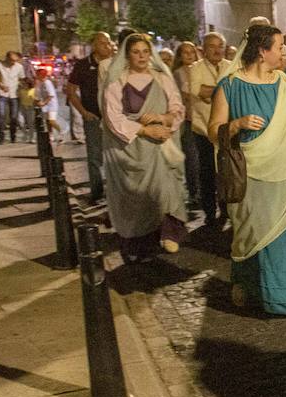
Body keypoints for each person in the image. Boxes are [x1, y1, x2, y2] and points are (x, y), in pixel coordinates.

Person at [208, 24, 286, 315]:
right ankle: (252, 289)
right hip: (250, 175)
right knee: (252, 232)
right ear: (261, 51)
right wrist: (236, 124)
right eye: (278, 47)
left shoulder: (284, 82)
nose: (283, 52)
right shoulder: (230, 85)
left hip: (285, 175)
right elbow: (212, 130)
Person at [101, 34, 189, 262]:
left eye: (145, 51)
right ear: (127, 55)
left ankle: (170, 232)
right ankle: (140, 245)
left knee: (165, 188)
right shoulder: (117, 82)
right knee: (137, 198)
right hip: (132, 150)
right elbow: (113, 117)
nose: (141, 56)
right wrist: (144, 130)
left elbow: (177, 108)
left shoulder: (162, 79)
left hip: (160, 147)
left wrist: (164, 119)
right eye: (136, 52)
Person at [187, 33, 235, 225]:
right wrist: (222, 90)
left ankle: (226, 210)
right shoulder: (195, 69)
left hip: (226, 129)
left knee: (226, 173)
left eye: (220, 46)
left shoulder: (230, 67)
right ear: (204, 49)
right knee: (206, 173)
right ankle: (209, 212)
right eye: (212, 46)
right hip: (203, 130)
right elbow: (197, 90)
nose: (217, 50)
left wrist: (212, 91)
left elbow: (234, 91)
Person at [66, 32, 116, 204]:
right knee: (95, 158)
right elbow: (71, 91)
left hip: (115, 118)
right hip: (94, 117)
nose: (107, 47)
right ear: (94, 46)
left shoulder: (116, 64)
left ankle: (116, 192)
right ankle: (97, 192)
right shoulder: (82, 66)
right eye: (103, 43)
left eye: (109, 43)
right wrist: (84, 112)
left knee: (115, 157)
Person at [171, 40, 203, 211]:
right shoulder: (177, 74)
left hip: (204, 119)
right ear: (180, 56)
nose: (189, 55)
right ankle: (194, 192)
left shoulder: (201, 69)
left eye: (192, 52)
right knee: (191, 159)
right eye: (185, 52)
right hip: (188, 121)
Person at [0, 50, 27, 143]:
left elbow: (22, 79)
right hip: (2, 93)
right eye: (11, 60)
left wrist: (22, 86)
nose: (13, 62)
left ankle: (13, 136)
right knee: (1, 115)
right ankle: (1, 136)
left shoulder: (19, 67)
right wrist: (1, 85)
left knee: (14, 116)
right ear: (6, 58)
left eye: (15, 61)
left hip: (14, 94)